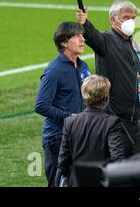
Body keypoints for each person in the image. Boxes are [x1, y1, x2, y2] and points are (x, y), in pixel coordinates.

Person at [76, 0, 140, 157]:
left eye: (133, 17)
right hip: (116, 118)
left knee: (136, 166)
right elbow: (93, 37)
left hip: (135, 119)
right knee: (119, 168)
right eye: (126, 17)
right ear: (113, 19)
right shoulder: (106, 41)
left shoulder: (132, 43)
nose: (131, 21)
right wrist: (84, 22)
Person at [35, 22, 90, 186]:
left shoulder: (83, 66)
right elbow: (41, 105)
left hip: (80, 137)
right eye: (76, 36)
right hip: (58, 139)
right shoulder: (54, 70)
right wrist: (69, 117)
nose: (82, 40)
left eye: (82, 35)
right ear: (64, 42)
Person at [55, 75, 124, 187]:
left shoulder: (70, 122)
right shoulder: (112, 122)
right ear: (106, 97)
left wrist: (57, 181)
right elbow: (117, 159)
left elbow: (63, 161)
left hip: (76, 182)